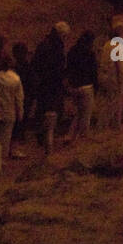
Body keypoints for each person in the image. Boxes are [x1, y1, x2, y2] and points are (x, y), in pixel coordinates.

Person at [32, 21, 70, 154]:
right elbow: (54, 67)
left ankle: (45, 137)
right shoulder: (53, 47)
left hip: (45, 84)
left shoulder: (44, 44)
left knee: (44, 110)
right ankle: (47, 139)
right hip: (51, 84)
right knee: (50, 112)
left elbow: (36, 64)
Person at [0, 54, 25, 161]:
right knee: (6, 138)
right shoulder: (16, 79)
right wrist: (20, 112)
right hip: (10, 112)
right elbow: (19, 98)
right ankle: (2, 160)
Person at [64, 29, 98, 143]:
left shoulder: (72, 51)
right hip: (86, 86)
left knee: (79, 112)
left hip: (74, 85)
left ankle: (70, 135)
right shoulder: (89, 53)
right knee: (86, 114)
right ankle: (83, 137)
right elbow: (93, 71)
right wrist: (96, 86)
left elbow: (68, 68)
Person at [98, 18, 123, 130]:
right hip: (114, 78)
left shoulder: (108, 44)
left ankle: (114, 124)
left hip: (107, 77)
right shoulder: (117, 44)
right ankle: (105, 125)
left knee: (109, 102)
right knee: (113, 103)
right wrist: (122, 77)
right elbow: (119, 63)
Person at [10, 41, 34, 146]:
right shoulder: (24, 67)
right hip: (23, 97)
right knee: (19, 120)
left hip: (23, 96)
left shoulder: (17, 67)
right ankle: (16, 141)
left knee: (20, 120)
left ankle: (16, 139)